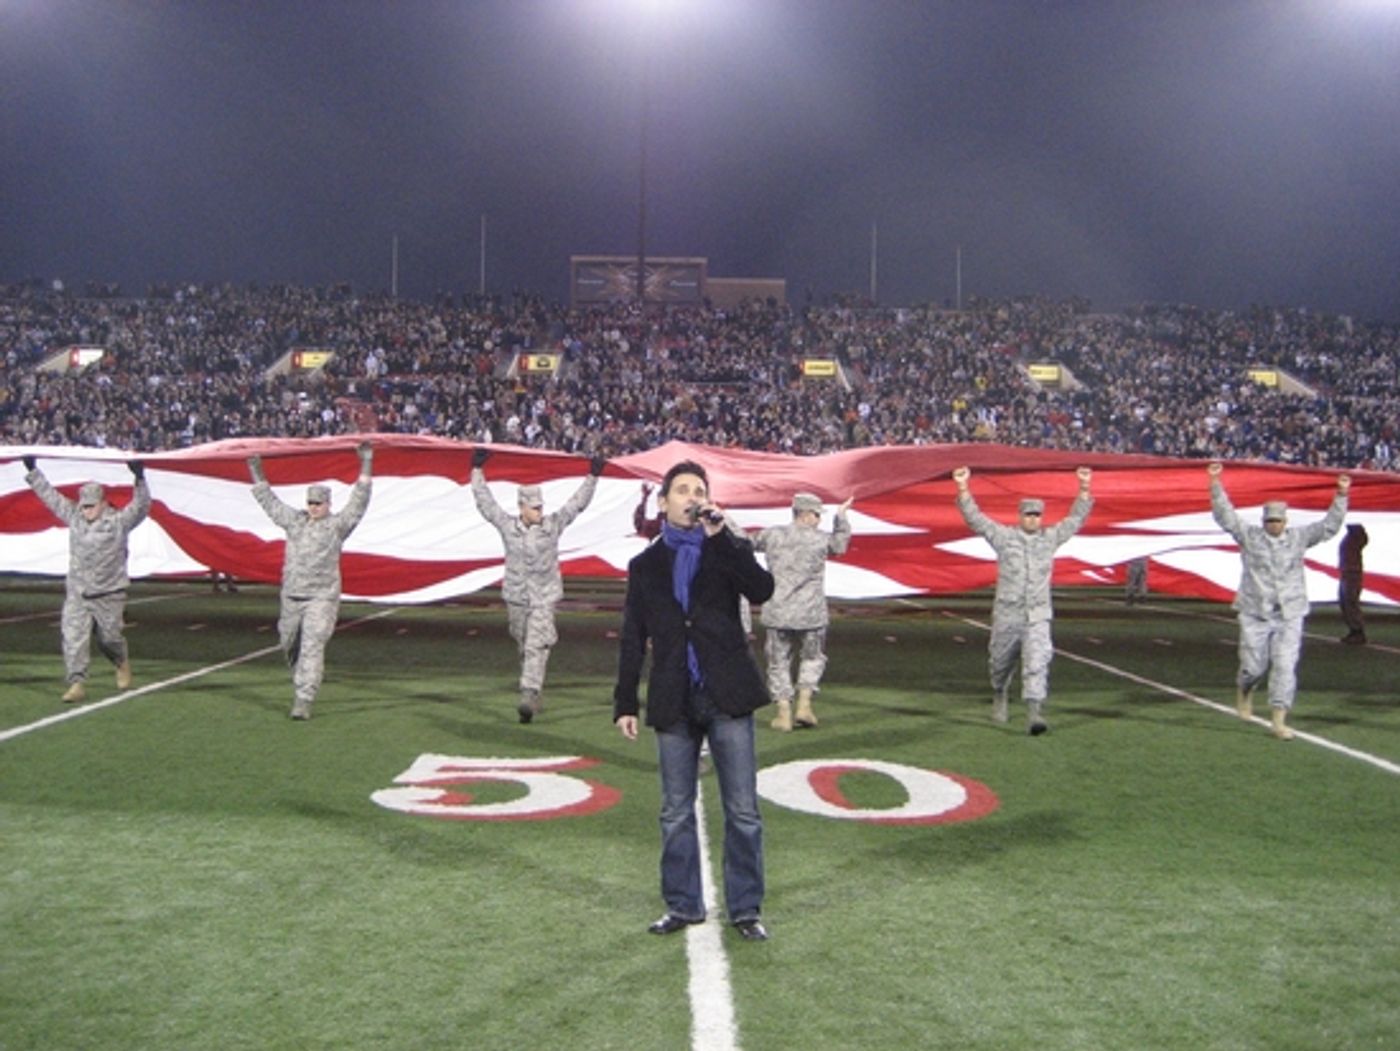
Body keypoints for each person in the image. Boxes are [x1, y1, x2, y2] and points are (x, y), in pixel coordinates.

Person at [612, 460, 776, 941]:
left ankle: (746, 909)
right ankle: (683, 905)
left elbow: (762, 588)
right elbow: (631, 636)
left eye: (698, 489)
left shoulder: (724, 548)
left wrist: (723, 537)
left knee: (743, 810)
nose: (691, 496)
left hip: (725, 691)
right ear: (663, 503)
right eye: (681, 489)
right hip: (673, 694)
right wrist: (626, 702)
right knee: (675, 810)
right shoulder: (645, 566)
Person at [1208, 463, 1350, 739]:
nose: (1274, 525)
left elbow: (1329, 527)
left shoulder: (1298, 538)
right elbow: (1225, 516)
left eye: (1278, 521)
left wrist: (1341, 495)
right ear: (1263, 522)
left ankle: (1278, 719)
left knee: (1285, 665)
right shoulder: (1250, 536)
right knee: (1253, 665)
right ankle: (1245, 691)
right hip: (1254, 611)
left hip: (1290, 612)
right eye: (1269, 521)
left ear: (1286, 521)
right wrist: (1215, 484)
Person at [953, 465, 1094, 735]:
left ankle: (1034, 713)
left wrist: (1085, 488)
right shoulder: (1005, 538)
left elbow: (1075, 520)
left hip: (1037, 615)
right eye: (1028, 515)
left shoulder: (1050, 538)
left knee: (1037, 661)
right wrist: (962, 488)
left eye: (1037, 515)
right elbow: (977, 520)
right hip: (1008, 613)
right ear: (1020, 516)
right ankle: (1000, 692)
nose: (1033, 519)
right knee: (1000, 661)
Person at [472, 447, 602, 723]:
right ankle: (533, 688)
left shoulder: (552, 525)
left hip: (544, 597)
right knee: (523, 644)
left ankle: (529, 694)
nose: (540, 512)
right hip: (517, 598)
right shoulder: (508, 526)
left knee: (536, 645)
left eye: (541, 507)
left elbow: (575, 505)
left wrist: (593, 476)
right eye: (535, 508)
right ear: (522, 507)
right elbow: (486, 505)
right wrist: (476, 471)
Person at [248, 442, 373, 720]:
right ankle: (302, 680)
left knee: (312, 646)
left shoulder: (337, 525)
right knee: (287, 643)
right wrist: (255, 470)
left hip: (321, 597)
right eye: (311, 503)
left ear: (328, 504)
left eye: (319, 503)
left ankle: (304, 698)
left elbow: (360, 501)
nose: (314, 507)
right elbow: (269, 503)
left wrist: (366, 462)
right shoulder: (295, 521)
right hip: (292, 595)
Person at [23, 455, 151, 703]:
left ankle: (120, 661)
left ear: (103, 503)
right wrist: (33, 471)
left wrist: (140, 478)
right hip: (78, 592)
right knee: (72, 637)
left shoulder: (118, 522)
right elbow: (50, 498)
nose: (86, 510)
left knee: (109, 638)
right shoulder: (74, 517)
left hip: (109, 593)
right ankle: (76, 682)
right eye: (84, 506)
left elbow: (141, 507)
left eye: (91, 505)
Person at [753, 491, 853, 731]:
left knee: (778, 662)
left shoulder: (772, 535)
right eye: (818, 515)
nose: (819, 520)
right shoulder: (820, 539)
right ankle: (805, 706)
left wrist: (724, 518)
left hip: (778, 611)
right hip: (812, 613)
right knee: (812, 658)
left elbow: (743, 541)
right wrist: (841, 518)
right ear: (807, 514)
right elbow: (840, 545)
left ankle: (783, 713)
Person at [1339, 523, 1369, 644]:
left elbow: (1363, 538)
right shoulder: (1349, 538)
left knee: (1350, 600)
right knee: (1345, 601)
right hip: (1347, 572)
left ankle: (1357, 631)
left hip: (1352, 573)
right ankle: (1354, 630)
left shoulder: (1355, 538)